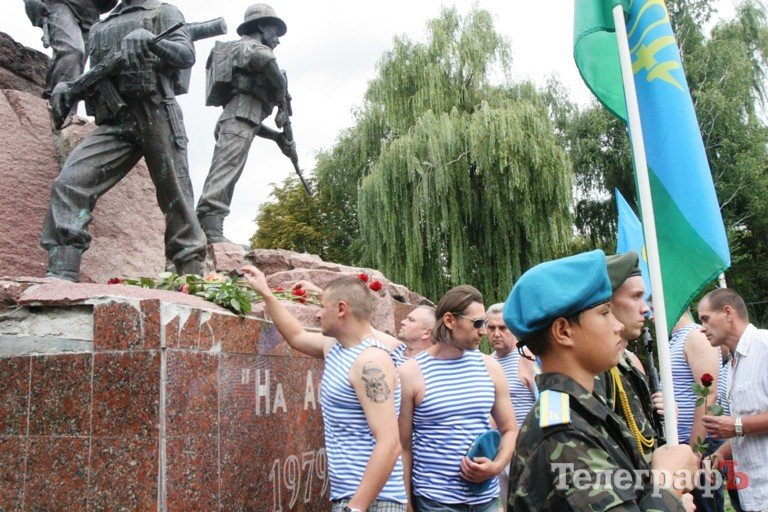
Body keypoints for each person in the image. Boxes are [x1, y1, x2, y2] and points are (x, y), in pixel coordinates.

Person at [503, 249, 697, 511]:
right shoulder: (563, 432)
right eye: (605, 313)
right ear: (563, 331)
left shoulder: (586, 411)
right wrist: (669, 486)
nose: (617, 325)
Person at [40, 0, 206, 281]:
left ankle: (190, 275)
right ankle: (62, 269)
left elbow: (185, 55)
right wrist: (70, 87)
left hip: (156, 111)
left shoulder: (163, 12)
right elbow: (98, 74)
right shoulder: (100, 26)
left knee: (175, 195)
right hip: (116, 120)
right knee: (69, 184)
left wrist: (151, 42)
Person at [243, 266, 407, 512]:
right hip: (350, 497)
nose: (318, 314)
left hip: (375, 502)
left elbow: (389, 442)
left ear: (341, 309)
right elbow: (296, 335)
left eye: (322, 306)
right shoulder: (335, 348)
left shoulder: (370, 363)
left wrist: (356, 508)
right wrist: (267, 295)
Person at [398, 285, 518, 511]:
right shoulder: (411, 372)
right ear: (450, 320)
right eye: (477, 323)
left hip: (486, 501)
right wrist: (407, 503)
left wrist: (497, 466)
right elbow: (403, 445)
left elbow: (510, 428)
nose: (484, 331)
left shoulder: (489, 367)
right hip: (436, 502)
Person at [195, 3, 295, 244]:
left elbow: (251, 122)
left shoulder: (246, 109)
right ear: (260, 26)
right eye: (275, 32)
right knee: (224, 173)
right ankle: (209, 228)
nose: (277, 40)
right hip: (236, 119)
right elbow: (267, 61)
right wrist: (282, 97)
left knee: (227, 171)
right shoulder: (247, 47)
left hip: (239, 119)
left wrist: (278, 137)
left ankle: (207, 228)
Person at [699, 288, 768, 512]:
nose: (702, 328)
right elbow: (746, 429)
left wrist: (736, 425)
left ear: (728, 312)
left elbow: (740, 426)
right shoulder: (731, 365)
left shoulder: (764, 347)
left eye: (706, 319)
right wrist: (719, 454)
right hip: (753, 495)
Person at [595, 251, 660, 465]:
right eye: (635, 296)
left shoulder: (629, 360)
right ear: (608, 303)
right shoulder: (596, 369)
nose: (645, 309)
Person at [23, 0, 118, 125]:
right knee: (73, 51)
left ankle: (67, 111)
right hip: (60, 4)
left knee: (80, 63)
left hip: (92, 13)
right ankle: (59, 110)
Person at [669, 309, 725, 512]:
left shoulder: (695, 336)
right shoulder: (673, 340)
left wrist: (694, 453)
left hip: (699, 444)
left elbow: (708, 394)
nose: (650, 316)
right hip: (682, 445)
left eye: (654, 308)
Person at [486, 302, 536, 510]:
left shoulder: (528, 360)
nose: (497, 333)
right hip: (497, 453)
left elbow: (547, 403)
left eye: (503, 328)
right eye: (491, 328)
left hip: (527, 451)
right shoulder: (485, 363)